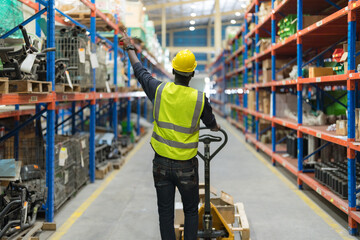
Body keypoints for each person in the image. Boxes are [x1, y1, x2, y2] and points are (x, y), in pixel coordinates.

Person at [121, 30, 220, 240]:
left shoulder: (159, 90)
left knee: (165, 212)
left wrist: (130, 47)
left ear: (173, 70)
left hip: (162, 165)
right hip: (186, 166)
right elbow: (210, 122)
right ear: (192, 74)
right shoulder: (199, 99)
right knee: (191, 211)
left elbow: (140, 71)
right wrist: (214, 127)